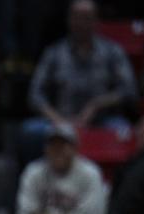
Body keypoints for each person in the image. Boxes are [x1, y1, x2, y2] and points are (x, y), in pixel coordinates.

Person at [22, 0, 137, 159]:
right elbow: (35, 94)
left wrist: (96, 105)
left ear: (96, 21)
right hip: (60, 119)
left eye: (87, 18)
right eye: (77, 17)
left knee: (122, 129)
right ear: (69, 20)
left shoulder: (112, 52)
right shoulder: (54, 53)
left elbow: (129, 90)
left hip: (101, 120)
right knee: (30, 132)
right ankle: (37, 179)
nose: (81, 23)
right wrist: (57, 119)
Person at [16, 123, 109, 214]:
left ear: (75, 149)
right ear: (45, 149)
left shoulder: (90, 173)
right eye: (53, 145)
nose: (58, 150)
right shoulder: (33, 173)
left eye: (63, 145)